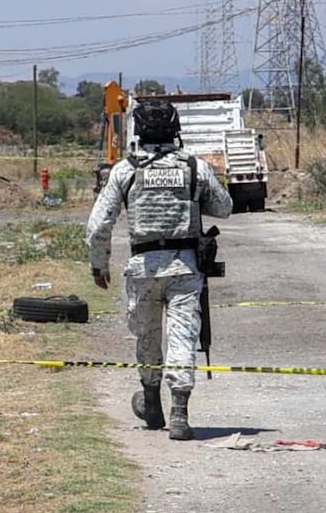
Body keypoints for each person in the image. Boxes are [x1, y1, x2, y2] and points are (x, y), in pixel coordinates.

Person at [85, 99, 233, 440]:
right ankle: (179, 414)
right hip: (185, 267)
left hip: (143, 268)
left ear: (139, 130)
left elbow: (98, 226)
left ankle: (152, 405)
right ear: (175, 129)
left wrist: (99, 265)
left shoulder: (125, 169)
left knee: (147, 336)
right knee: (183, 336)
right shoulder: (193, 167)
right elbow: (224, 208)